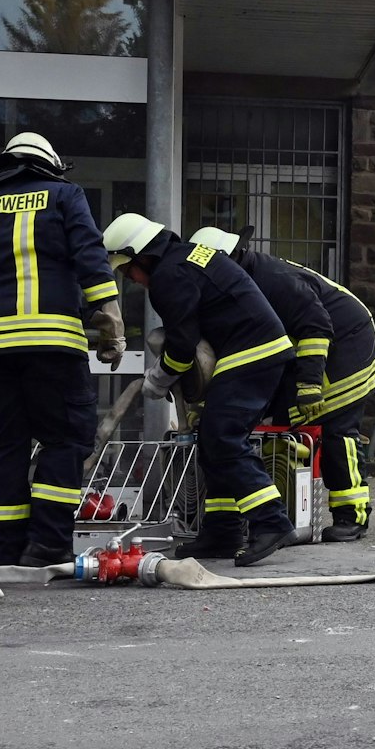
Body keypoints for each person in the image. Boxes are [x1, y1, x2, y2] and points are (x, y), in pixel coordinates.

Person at [0, 132, 124, 567]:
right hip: (52, 342)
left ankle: (6, 547)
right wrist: (110, 324)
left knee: (4, 446)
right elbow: (90, 257)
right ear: (49, 165)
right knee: (67, 440)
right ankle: (49, 542)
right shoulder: (64, 195)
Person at [104, 213, 298, 566]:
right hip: (256, 351)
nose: (130, 278)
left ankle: (271, 521)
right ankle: (222, 531)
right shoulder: (186, 257)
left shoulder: (168, 275)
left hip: (251, 353)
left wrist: (159, 377)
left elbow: (181, 344)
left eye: (127, 269)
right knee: (212, 441)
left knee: (223, 437)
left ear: (140, 254)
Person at [190, 226, 375, 541]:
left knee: (337, 429)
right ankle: (238, 521)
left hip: (348, 345)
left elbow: (316, 327)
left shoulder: (273, 280)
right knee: (264, 424)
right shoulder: (235, 286)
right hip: (309, 351)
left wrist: (308, 385)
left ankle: (352, 517)